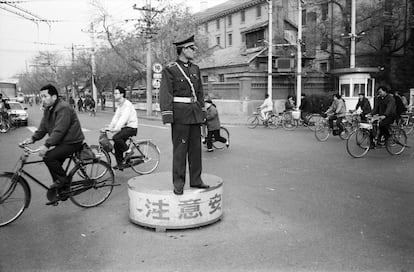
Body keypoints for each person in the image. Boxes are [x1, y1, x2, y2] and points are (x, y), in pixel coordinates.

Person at [160, 35, 209, 195]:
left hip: (195, 113)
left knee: (196, 150)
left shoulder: (195, 69)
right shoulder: (171, 69)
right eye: (192, 48)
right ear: (183, 50)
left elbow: (200, 92)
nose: (194, 51)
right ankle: (179, 183)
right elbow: (165, 93)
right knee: (180, 151)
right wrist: (168, 115)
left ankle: (196, 180)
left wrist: (202, 112)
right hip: (180, 115)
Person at [22, 84, 84, 205]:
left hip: (72, 141)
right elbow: (43, 127)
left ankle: (64, 183)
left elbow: (59, 130)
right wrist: (32, 139)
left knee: (49, 157)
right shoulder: (48, 109)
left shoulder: (63, 108)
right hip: (63, 142)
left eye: (45, 96)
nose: (42, 99)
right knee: (52, 163)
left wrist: (46, 145)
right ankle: (62, 190)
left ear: (54, 97)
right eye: (41, 97)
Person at [106, 86, 138, 170]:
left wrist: (116, 128)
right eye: (114, 93)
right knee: (117, 144)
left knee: (116, 137)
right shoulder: (120, 105)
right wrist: (110, 127)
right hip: (125, 128)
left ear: (122, 94)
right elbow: (116, 117)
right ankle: (120, 164)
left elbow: (124, 118)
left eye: (116, 93)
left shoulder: (127, 105)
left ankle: (129, 151)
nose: (114, 95)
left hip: (131, 127)